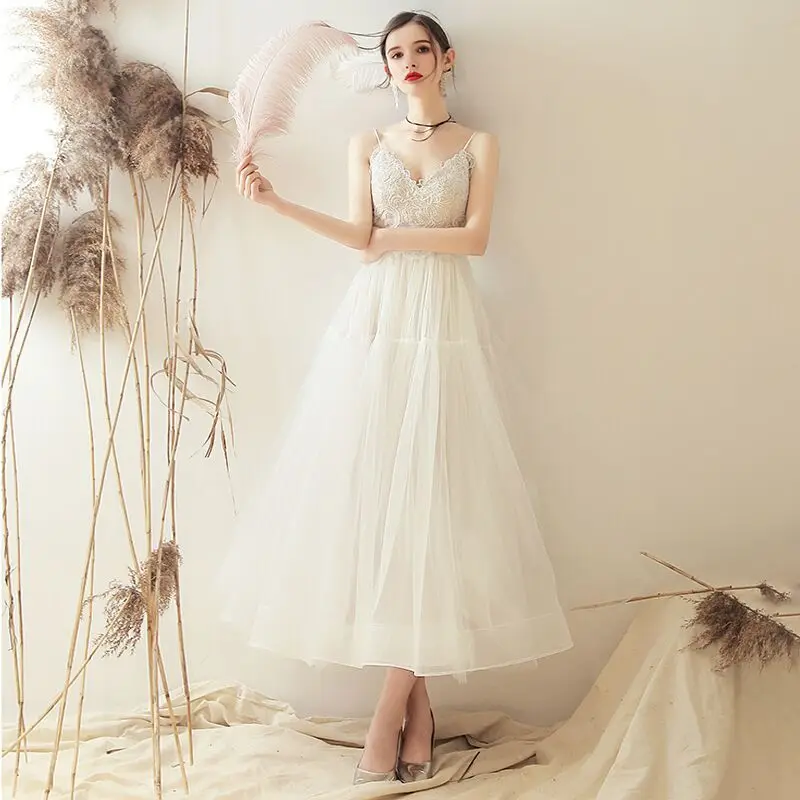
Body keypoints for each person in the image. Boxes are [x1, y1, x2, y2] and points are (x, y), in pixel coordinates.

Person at [222, 10, 573, 786]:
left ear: (447, 58)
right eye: (394, 53)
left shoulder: (478, 144)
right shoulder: (366, 144)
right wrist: (277, 203)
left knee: (438, 506)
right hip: (377, 327)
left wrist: (388, 239)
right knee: (382, 500)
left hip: (444, 325)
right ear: (383, 68)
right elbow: (359, 237)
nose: (408, 60)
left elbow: (474, 240)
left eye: (421, 49)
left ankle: (390, 713)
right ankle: (420, 710)